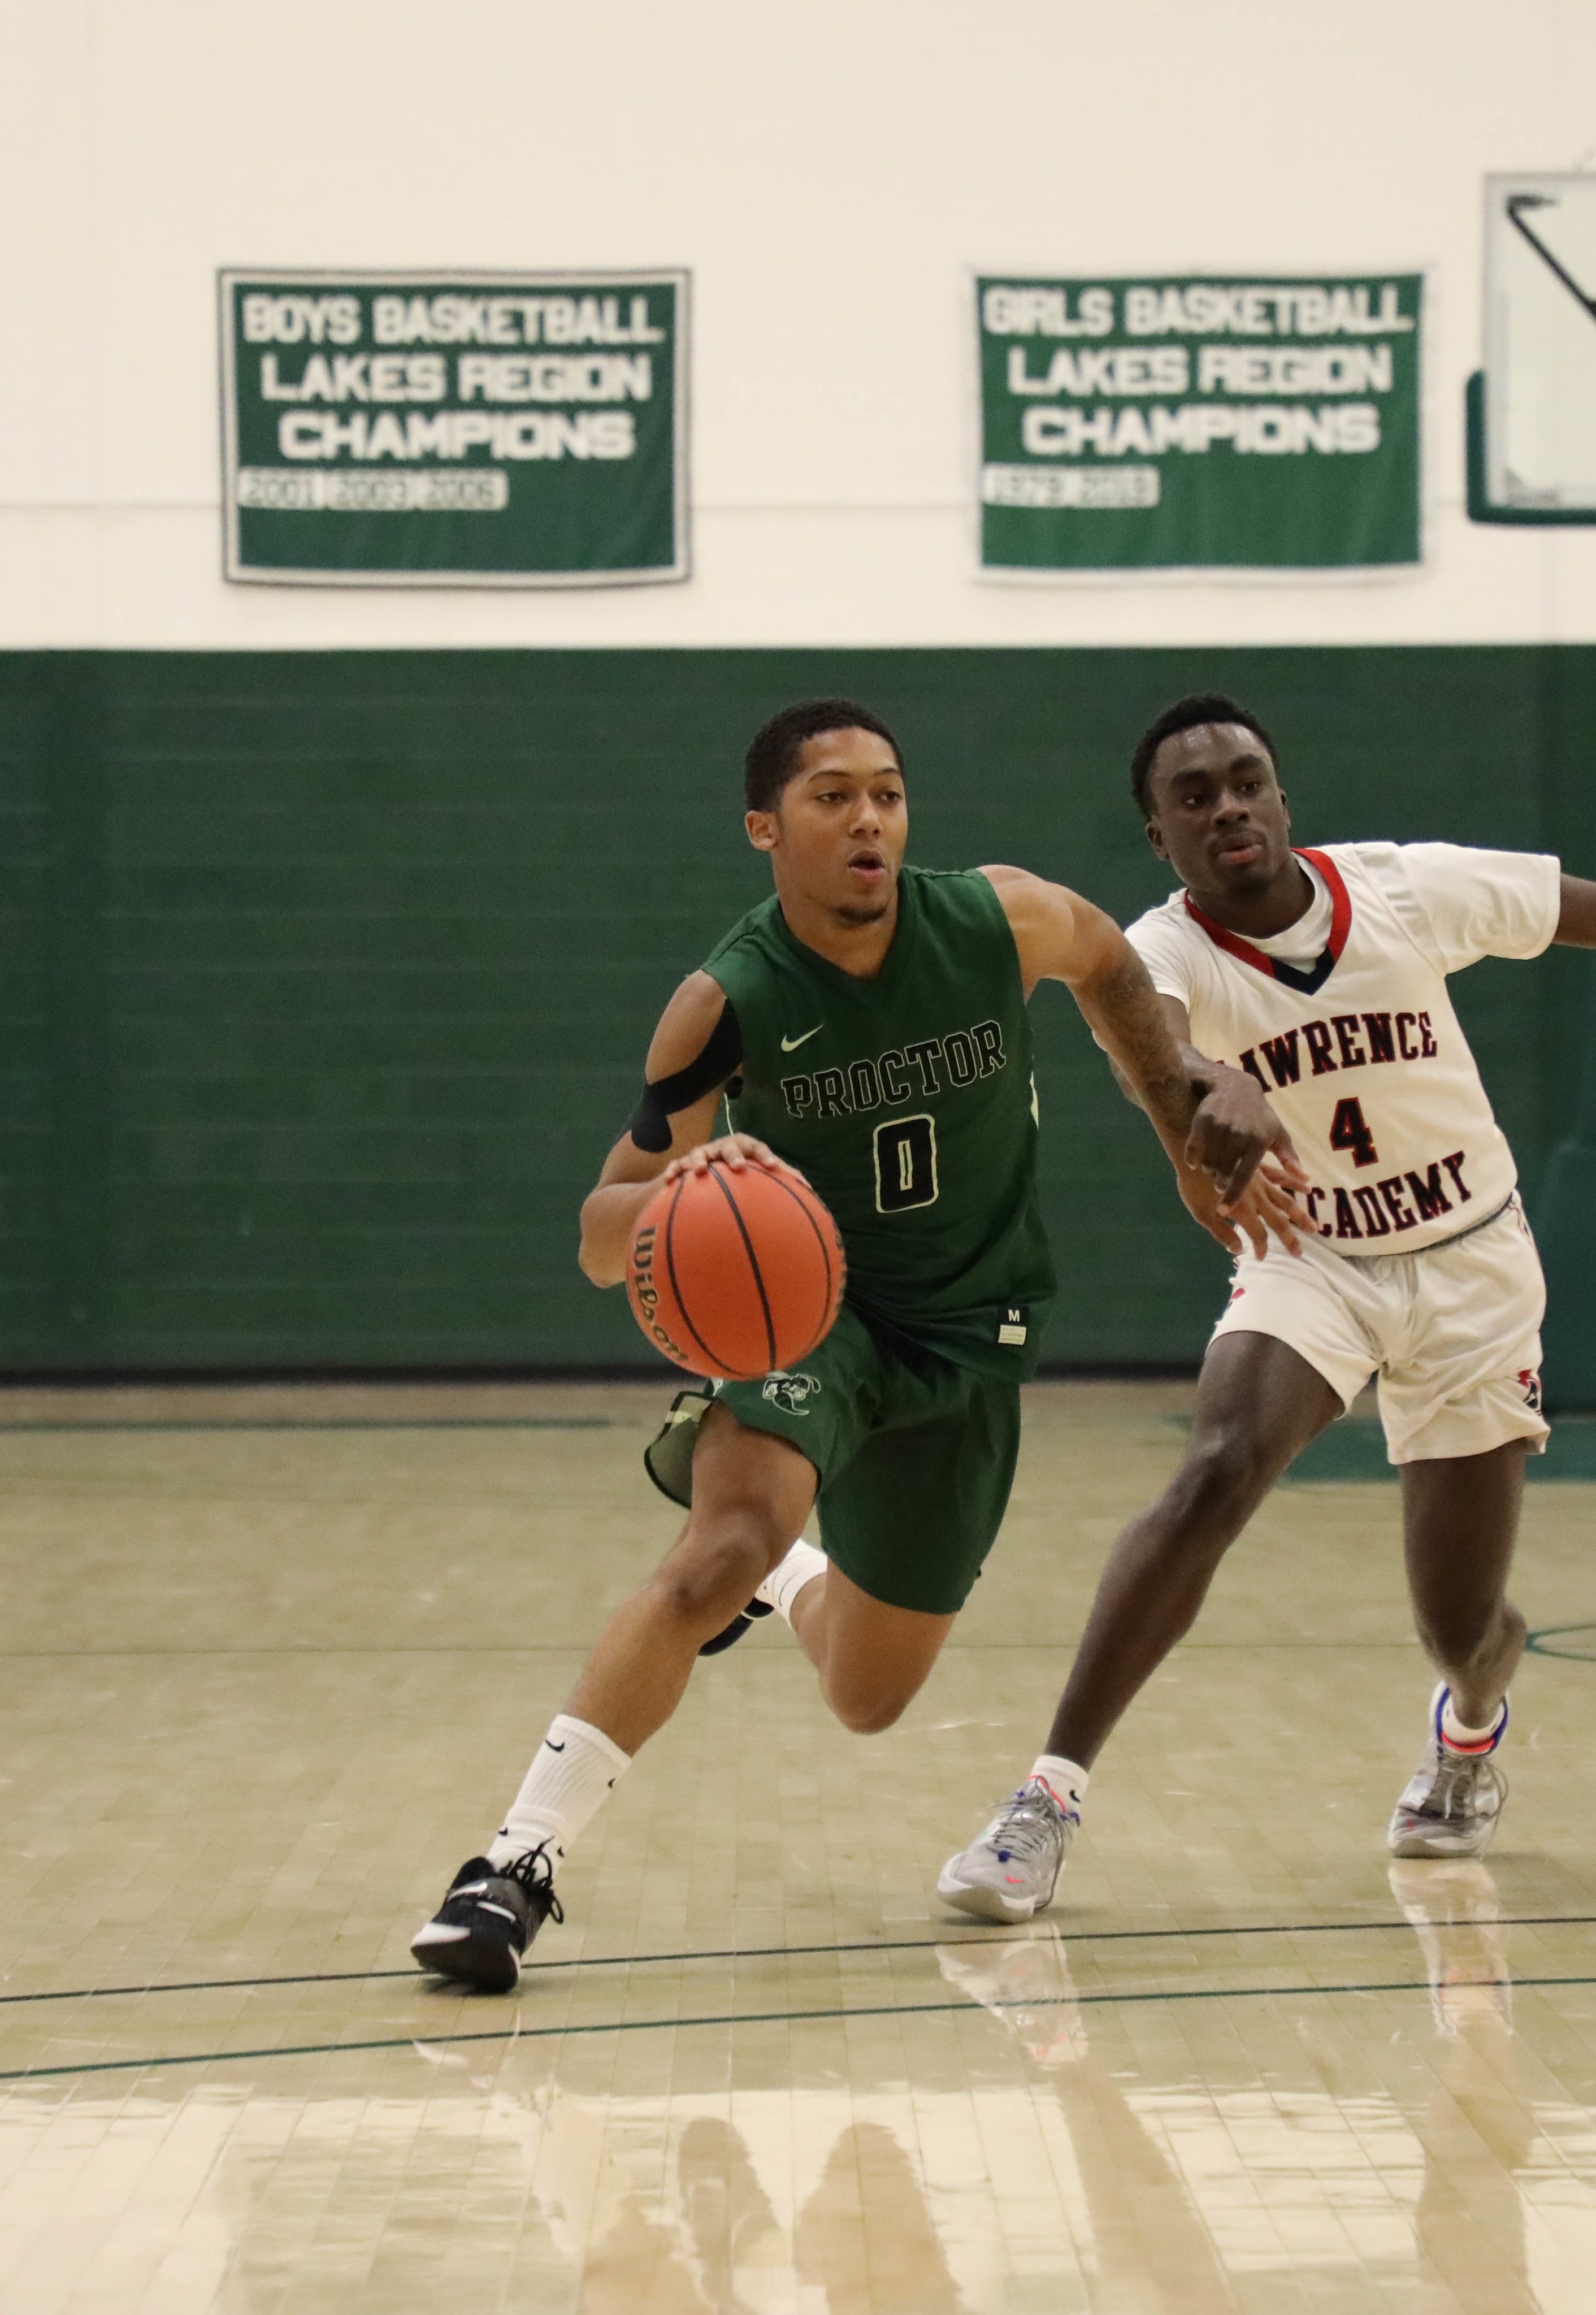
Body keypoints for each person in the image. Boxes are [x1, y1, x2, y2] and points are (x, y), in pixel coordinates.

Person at [931, 694, 1596, 1922]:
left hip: (1472, 1266)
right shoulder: (1164, 947)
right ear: (1160, 837)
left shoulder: (1407, 889)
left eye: (1246, 779)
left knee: (1460, 1622)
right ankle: (1044, 1803)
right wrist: (1212, 1082)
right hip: (1313, 1258)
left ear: (1280, 794)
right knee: (1216, 1468)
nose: (1229, 807)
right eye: (1195, 796)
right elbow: (1146, 1036)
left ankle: (1470, 1726)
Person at [407, 698, 1290, 1992]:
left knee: (869, 1696)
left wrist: (1178, 1133)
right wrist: (697, 1195)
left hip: (973, 1339)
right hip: (807, 1324)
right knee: (717, 1547)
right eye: (831, 796)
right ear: (766, 827)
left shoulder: (998, 919)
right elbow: (602, 1231)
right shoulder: (727, 1000)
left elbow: (1110, 968)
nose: (867, 817)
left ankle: (790, 1582)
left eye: (885, 792)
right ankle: (509, 1868)